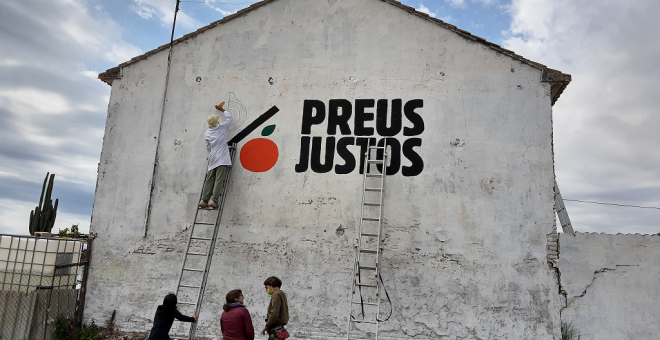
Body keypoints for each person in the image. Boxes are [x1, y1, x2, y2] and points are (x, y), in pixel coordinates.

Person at [199, 102, 233, 209]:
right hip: (222, 157)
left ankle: (204, 200)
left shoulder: (207, 133)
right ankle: (214, 200)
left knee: (209, 179)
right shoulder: (222, 127)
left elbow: (208, 147)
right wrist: (222, 110)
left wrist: (214, 151)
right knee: (219, 179)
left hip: (213, 157)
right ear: (217, 121)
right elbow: (229, 118)